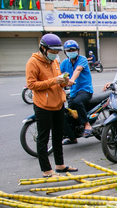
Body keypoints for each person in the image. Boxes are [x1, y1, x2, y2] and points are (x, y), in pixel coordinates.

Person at [26, 34, 77, 178]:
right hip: (43, 105)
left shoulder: (54, 62)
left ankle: (59, 165)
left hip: (58, 103)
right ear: (43, 48)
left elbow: (58, 80)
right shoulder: (33, 62)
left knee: (58, 136)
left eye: (57, 52)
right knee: (43, 138)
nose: (55, 55)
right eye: (52, 52)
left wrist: (64, 82)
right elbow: (31, 84)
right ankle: (47, 170)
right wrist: (54, 81)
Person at [60, 40, 93, 144]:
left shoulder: (82, 59)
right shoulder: (65, 62)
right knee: (67, 113)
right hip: (73, 92)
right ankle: (72, 137)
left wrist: (72, 80)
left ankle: (87, 124)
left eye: (73, 50)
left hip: (85, 89)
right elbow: (58, 74)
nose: (71, 51)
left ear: (77, 50)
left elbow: (77, 70)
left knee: (77, 102)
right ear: (65, 52)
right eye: (68, 50)